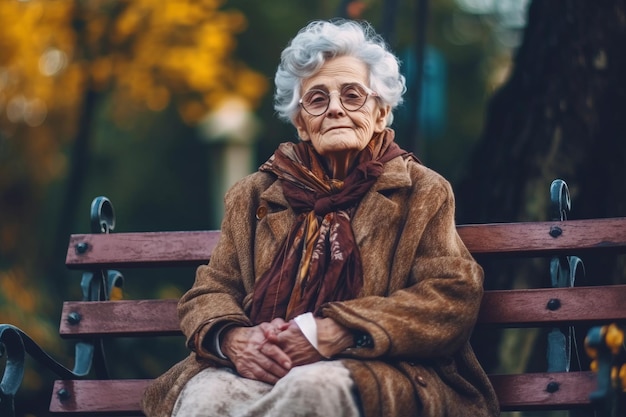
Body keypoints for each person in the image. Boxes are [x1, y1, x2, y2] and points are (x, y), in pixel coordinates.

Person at [142, 19, 499, 417]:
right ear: (300, 122)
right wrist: (234, 339)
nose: (334, 109)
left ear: (381, 114)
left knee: (312, 387)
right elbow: (210, 289)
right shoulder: (254, 194)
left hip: (377, 366)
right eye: (316, 99)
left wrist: (330, 332)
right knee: (207, 397)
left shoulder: (421, 191)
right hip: (262, 363)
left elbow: (452, 295)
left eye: (352, 96)